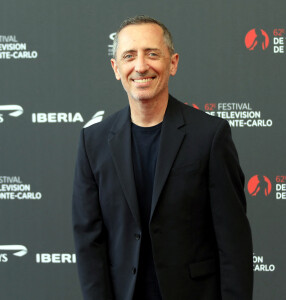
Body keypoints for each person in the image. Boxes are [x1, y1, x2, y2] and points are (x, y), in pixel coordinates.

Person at [72, 15, 253, 300]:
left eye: (152, 54)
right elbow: (88, 242)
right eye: (129, 56)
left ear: (173, 62)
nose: (141, 66)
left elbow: (234, 243)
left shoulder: (210, 136)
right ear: (116, 68)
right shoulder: (92, 142)